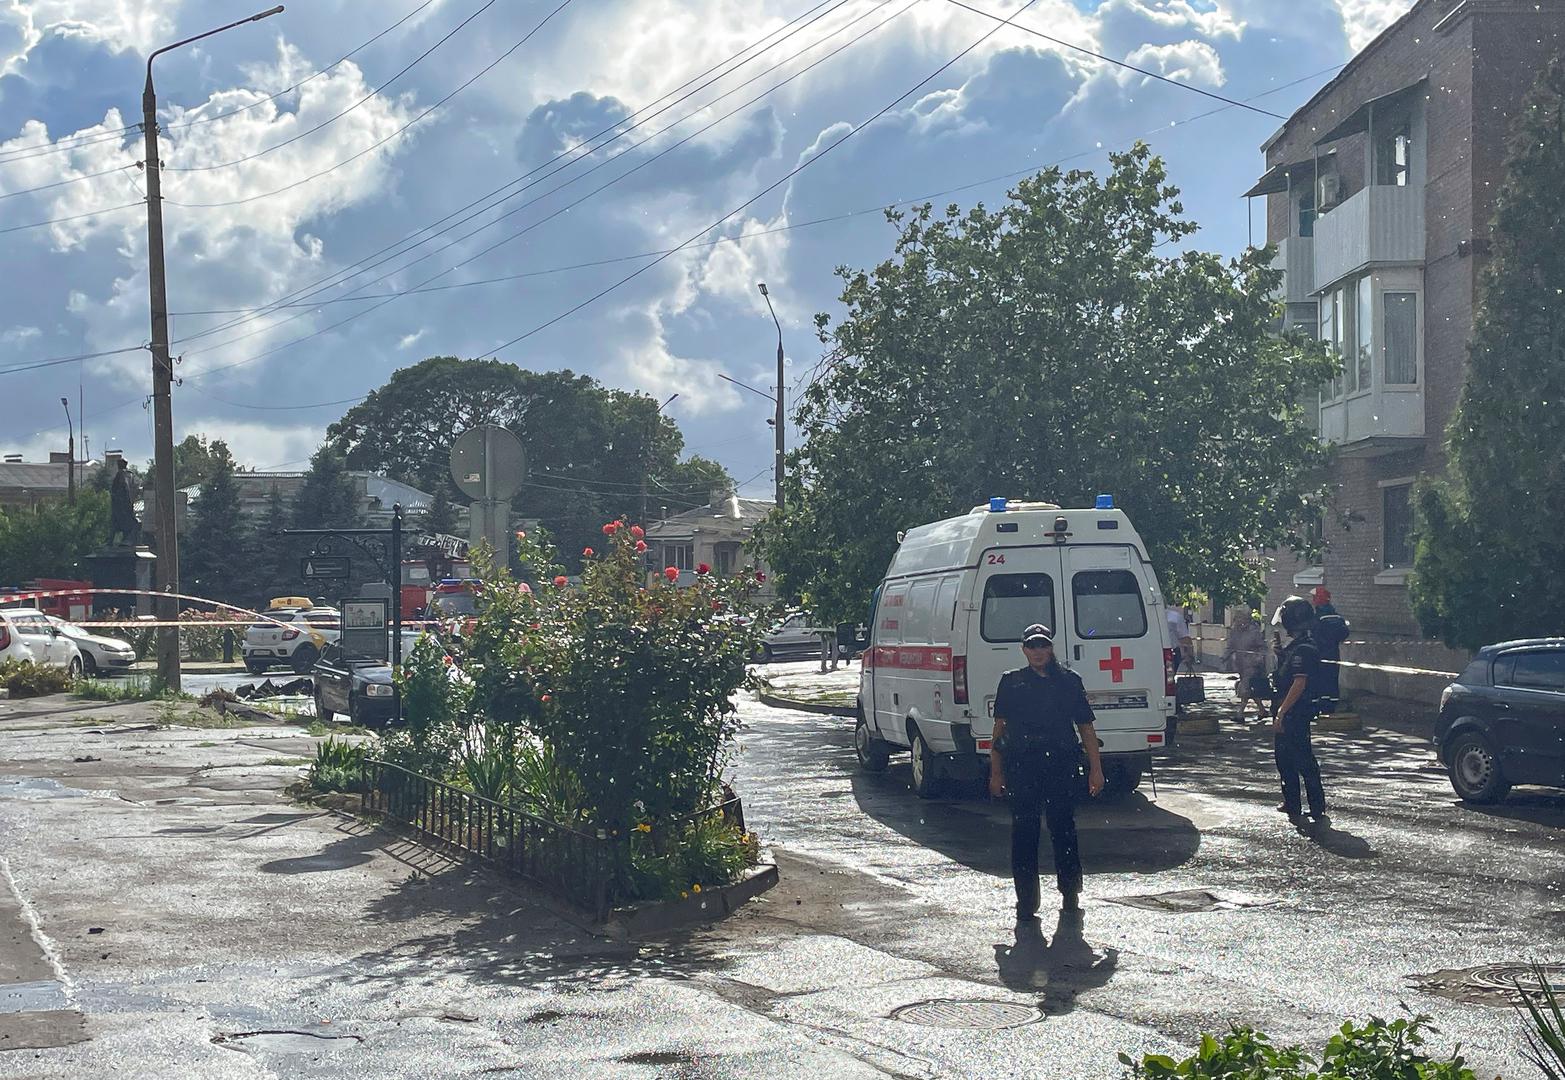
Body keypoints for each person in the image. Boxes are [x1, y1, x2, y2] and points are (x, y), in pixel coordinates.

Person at [989, 624, 1105, 920]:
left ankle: (1070, 890)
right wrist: (996, 773)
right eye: (1032, 646)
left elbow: (1086, 728)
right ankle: (1026, 900)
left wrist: (1096, 770)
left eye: (1043, 645)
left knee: (1063, 828)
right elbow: (999, 731)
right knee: (1024, 831)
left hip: (1061, 764)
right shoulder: (1012, 682)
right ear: (1023, 649)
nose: (1038, 651)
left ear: (1051, 648)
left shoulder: (1068, 681)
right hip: (1023, 765)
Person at [1271, 596, 1328, 829]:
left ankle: (1316, 806)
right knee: (1284, 759)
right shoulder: (1296, 648)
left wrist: (1282, 712)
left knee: (1303, 759)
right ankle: (1292, 802)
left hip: (1295, 712)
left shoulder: (1304, 649)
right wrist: (1279, 655)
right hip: (1291, 711)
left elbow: (1299, 683)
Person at [1310, 587, 1350, 714]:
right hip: (1333, 653)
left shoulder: (1318, 617)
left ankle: (1319, 707)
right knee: (1332, 678)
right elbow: (1344, 633)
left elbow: (1314, 635)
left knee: (1318, 679)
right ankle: (1331, 705)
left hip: (1319, 653)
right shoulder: (1336, 616)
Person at [1223, 608, 1268, 722]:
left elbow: (1262, 647)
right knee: (1250, 688)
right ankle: (1262, 710)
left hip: (1252, 664)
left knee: (1245, 687)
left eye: (1241, 617)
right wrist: (1224, 657)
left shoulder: (1254, 631)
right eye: (1237, 618)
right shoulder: (1234, 632)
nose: (1238, 620)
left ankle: (1240, 714)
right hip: (1240, 664)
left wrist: (1259, 658)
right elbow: (1230, 646)